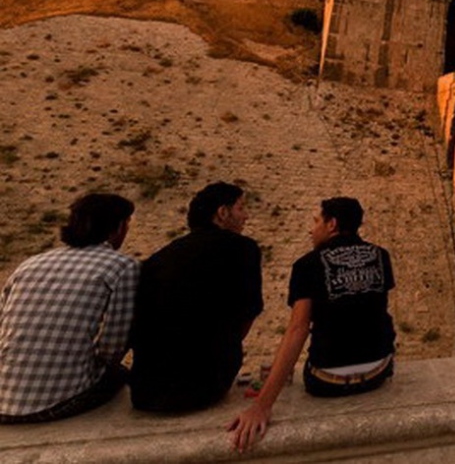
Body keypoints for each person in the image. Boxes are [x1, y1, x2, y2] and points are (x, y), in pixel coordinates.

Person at [229, 196, 395, 452]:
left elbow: (298, 329)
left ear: (332, 224)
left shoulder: (307, 265)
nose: (311, 229)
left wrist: (262, 405)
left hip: (329, 382)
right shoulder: (381, 256)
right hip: (378, 372)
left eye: (316, 221)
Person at [0, 193, 138, 423]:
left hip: (3, 401)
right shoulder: (122, 267)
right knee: (120, 374)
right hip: (56, 403)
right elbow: (112, 346)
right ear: (118, 228)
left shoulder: (29, 264)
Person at [130, 181, 263, 412]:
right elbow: (248, 312)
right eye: (241, 208)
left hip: (145, 392)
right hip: (204, 387)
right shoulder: (243, 248)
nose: (246, 216)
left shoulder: (157, 259)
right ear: (222, 213)